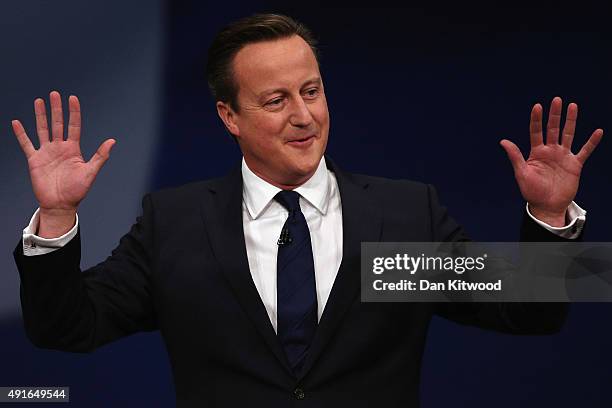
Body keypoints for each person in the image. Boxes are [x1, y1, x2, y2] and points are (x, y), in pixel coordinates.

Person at [11, 13, 603, 407]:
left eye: (312, 91)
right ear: (229, 117)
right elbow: (68, 328)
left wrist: (550, 219)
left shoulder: (400, 216)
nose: (304, 116)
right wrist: (58, 219)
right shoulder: (177, 224)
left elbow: (530, 313)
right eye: (275, 100)